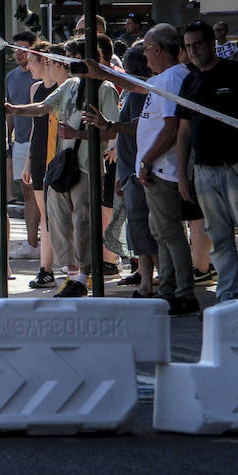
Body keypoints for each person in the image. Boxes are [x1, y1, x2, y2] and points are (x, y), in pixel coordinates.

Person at [7, 34, 119, 297]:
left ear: (80, 57)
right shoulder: (70, 86)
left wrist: (79, 135)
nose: (66, 61)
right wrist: (14, 109)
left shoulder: (104, 89)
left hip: (87, 167)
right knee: (55, 221)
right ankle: (70, 274)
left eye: (69, 55)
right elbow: (43, 107)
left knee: (82, 221)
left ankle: (83, 276)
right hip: (62, 167)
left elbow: (113, 130)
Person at [176, 19, 238, 302]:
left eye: (197, 44)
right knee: (218, 236)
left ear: (212, 44)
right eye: (187, 46)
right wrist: (184, 175)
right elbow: (183, 131)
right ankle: (228, 295)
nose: (193, 51)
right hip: (204, 171)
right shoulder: (189, 80)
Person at [85, 42, 157, 298]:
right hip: (130, 170)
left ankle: (156, 280)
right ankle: (144, 276)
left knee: (144, 229)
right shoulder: (132, 92)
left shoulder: (139, 92)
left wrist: (110, 125)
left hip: (141, 171)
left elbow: (138, 126)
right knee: (137, 229)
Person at [19, 42, 59, 289]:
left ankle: (71, 265)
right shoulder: (35, 88)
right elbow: (35, 128)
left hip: (59, 155)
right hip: (39, 155)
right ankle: (46, 270)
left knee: (62, 214)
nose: (26, 66)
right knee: (46, 216)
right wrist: (27, 162)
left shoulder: (63, 86)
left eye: (30, 61)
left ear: (45, 61)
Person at [7, 30, 41, 258]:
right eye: (16, 48)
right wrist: (5, 141)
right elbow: (9, 111)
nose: (19, 53)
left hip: (39, 140)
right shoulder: (10, 76)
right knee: (28, 192)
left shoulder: (40, 74)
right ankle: (31, 243)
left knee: (42, 192)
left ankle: (47, 240)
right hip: (19, 142)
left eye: (23, 48)